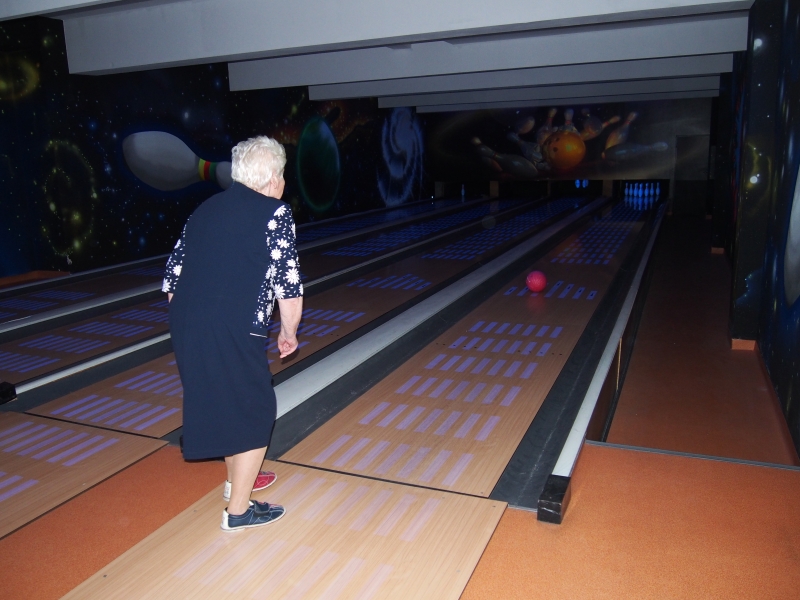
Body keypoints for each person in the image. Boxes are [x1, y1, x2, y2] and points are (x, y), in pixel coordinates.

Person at [162, 136, 303, 532]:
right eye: (283, 175)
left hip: (186, 320)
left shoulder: (205, 209)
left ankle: (236, 480)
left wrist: (194, 323)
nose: (284, 183)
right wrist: (289, 332)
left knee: (226, 402)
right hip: (235, 324)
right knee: (256, 408)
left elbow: (172, 278)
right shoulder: (276, 212)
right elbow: (288, 285)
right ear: (273, 179)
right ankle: (239, 511)